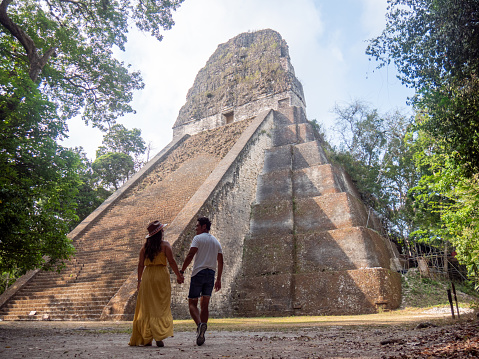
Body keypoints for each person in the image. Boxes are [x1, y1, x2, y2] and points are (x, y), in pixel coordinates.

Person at [129, 221, 184, 347]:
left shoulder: (144, 248)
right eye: (162, 230)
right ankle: (158, 334)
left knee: (147, 307)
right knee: (160, 305)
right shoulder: (165, 245)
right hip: (160, 276)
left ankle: (147, 336)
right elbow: (172, 262)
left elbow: (140, 265)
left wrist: (139, 281)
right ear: (159, 233)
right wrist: (178, 275)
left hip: (148, 276)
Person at [180, 216, 223, 346]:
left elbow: (190, 254)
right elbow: (220, 261)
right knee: (205, 305)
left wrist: (181, 271)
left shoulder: (198, 238)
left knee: (192, 303)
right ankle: (202, 331)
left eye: (197, 226)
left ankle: (199, 326)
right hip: (211, 274)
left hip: (198, 273)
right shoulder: (216, 241)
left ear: (204, 226)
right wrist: (219, 279)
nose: (195, 228)